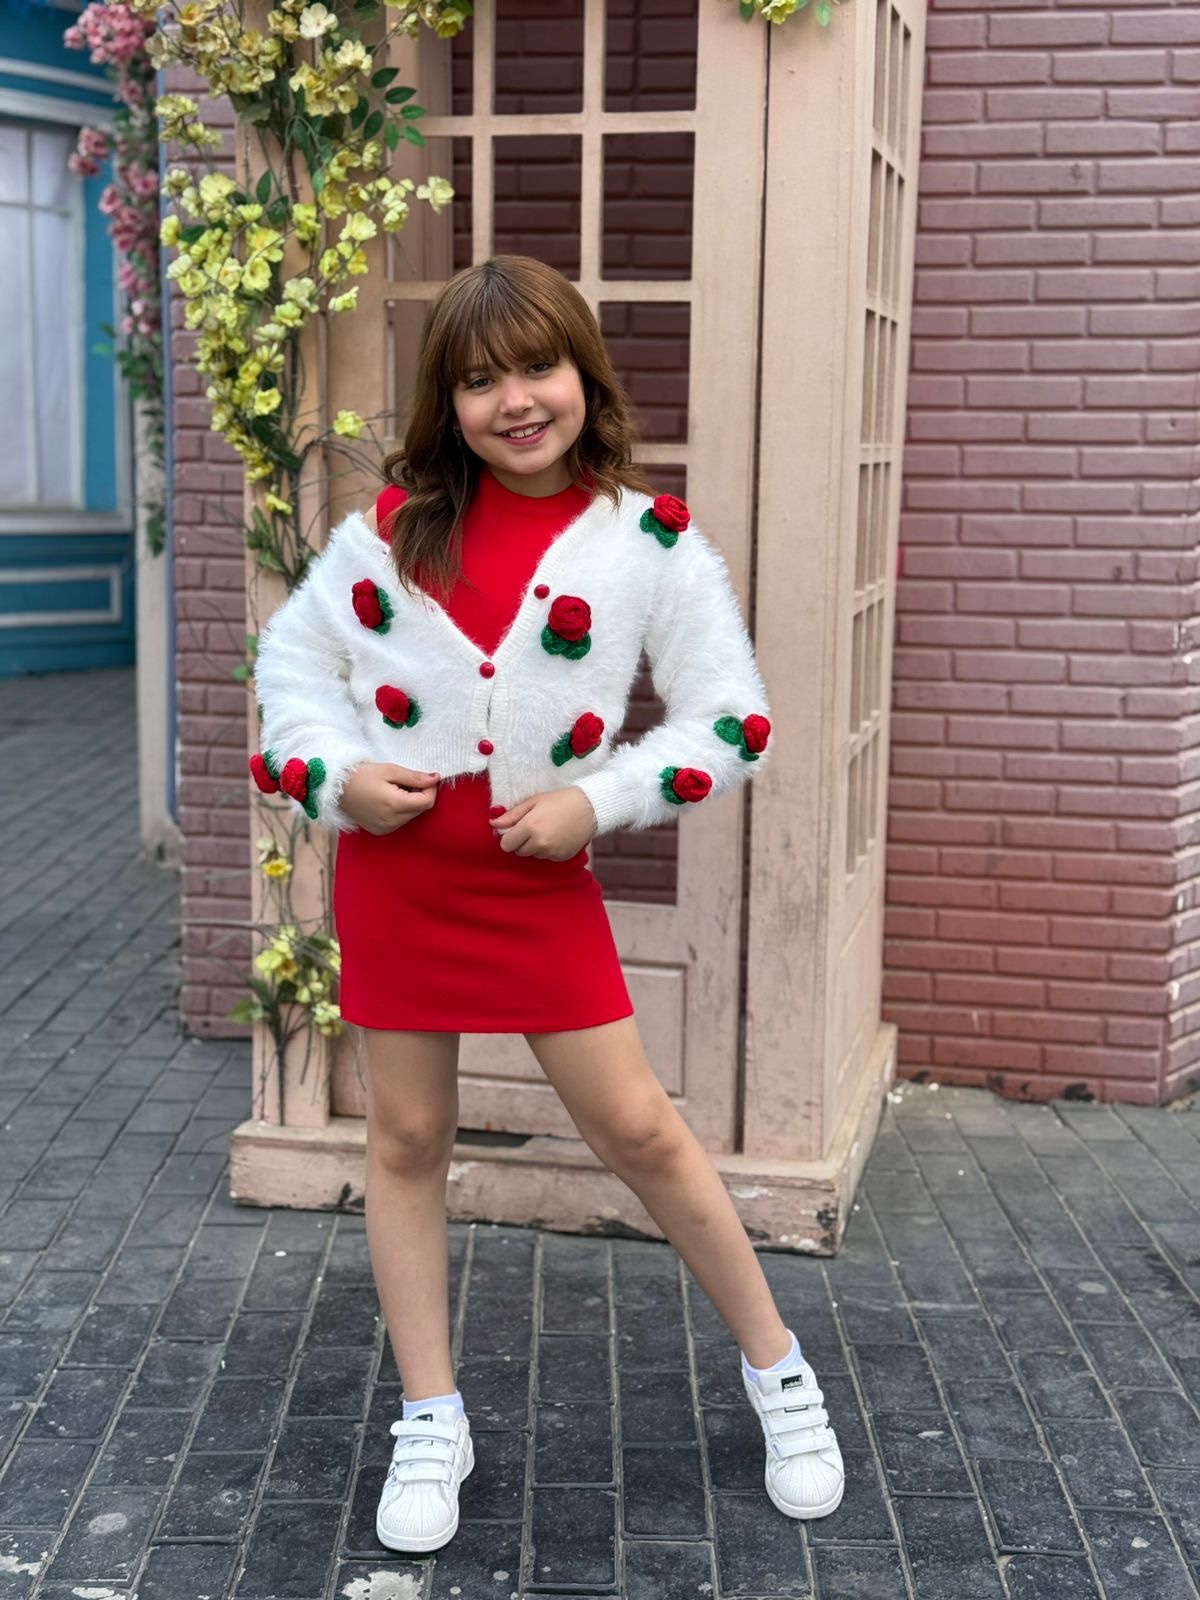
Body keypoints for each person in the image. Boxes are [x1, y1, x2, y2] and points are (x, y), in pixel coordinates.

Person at [250, 254, 844, 1554]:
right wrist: (338, 776)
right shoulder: (391, 530)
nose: (515, 400)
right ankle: (431, 1416)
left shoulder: (650, 542)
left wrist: (601, 797)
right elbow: (289, 676)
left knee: (639, 1128)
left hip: (536, 881)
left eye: (538, 367)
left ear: (585, 374)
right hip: (400, 877)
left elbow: (731, 720)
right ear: (447, 403)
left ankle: (781, 1373)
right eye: (480, 381)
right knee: (406, 1137)